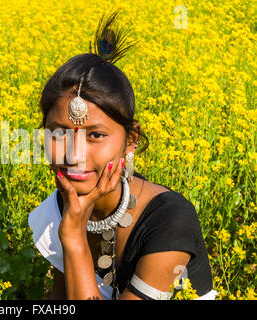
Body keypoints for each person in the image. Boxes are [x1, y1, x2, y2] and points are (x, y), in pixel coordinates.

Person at [28, 10, 217, 300]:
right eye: (60, 133)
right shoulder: (62, 206)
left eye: (96, 135)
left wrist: (75, 237)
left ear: (131, 140)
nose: (74, 154)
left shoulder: (171, 221)